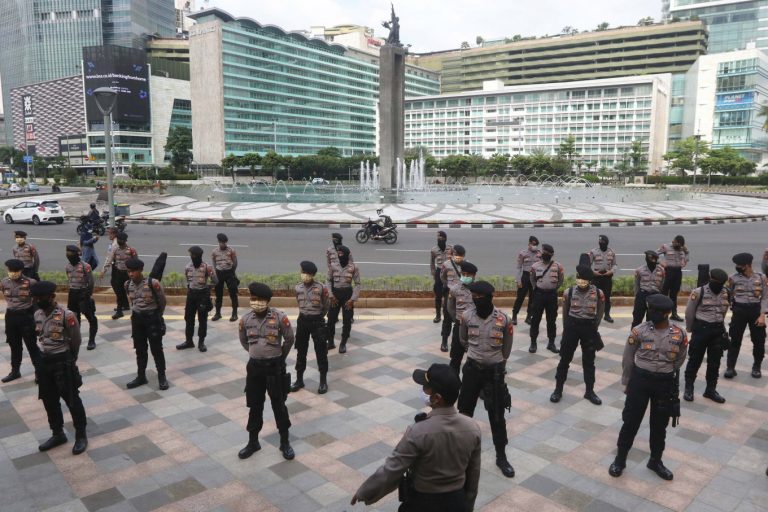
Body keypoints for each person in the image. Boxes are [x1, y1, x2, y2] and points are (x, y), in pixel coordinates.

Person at [351, 363, 481, 512]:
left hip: (423, 502)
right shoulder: (472, 428)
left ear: (437, 398)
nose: (423, 390)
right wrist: (467, 506)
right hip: (457, 502)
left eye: (426, 388)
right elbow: (473, 476)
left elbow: (392, 469)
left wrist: (364, 492)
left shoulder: (418, 432)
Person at [609, 294, 687, 481]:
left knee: (659, 425)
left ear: (667, 313)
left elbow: (680, 358)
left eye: (657, 311)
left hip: (664, 382)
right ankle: (620, 459)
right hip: (640, 381)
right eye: (651, 309)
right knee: (631, 421)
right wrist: (627, 382)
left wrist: (665, 370)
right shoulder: (639, 331)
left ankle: (655, 460)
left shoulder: (679, 333)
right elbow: (628, 358)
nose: (652, 313)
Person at [458, 281, 515, 478]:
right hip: (472, 370)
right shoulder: (466, 316)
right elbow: (463, 339)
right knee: (464, 413)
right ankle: (461, 454)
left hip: (494, 373)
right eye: (473, 297)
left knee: (497, 415)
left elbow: (506, 348)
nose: (475, 301)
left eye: (479, 298)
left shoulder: (503, 319)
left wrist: (498, 363)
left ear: (490, 298)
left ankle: (501, 456)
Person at [238, 282, 295, 461]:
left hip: (274, 368)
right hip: (255, 368)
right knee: (255, 405)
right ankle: (253, 441)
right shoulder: (245, 319)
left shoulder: (279, 317)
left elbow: (289, 338)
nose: (256, 302)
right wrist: (257, 353)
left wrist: (278, 357)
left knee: (279, 405)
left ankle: (284, 442)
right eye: (253, 299)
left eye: (259, 299)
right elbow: (243, 341)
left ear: (267, 301)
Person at [30, 281, 88, 455]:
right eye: (36, 298)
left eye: (42, 297)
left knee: (71, 399)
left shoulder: (66, 315)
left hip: (62, 361)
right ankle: (58, 433)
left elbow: (75, 340)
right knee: (49, 399)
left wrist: (71, 358)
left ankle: (80, 435)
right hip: (44, 362)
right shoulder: (38, 314)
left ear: (52, 297)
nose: (39, 300)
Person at [551, 265, 605, 405]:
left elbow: (600, 312)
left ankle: (590, 392)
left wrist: (593, 327)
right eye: (579, 278)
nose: (581, 281)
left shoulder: (598, 293)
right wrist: (566, 330)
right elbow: (564, 313)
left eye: (584, 279)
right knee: (564, 359)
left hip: (589, 328)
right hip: (572, 328)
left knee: (589, 362)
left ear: (590, 281)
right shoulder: (569, 292)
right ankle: (558, 390)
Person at [683, 268, 730, 403]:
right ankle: (689, 388)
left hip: (717, 331)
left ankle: (710, 390)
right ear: (711, 279)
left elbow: (724, 310)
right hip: (701, 329)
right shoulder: (699, 292)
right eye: (717, 282)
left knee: (715, 362)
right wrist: (691, 328)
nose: (719, 285)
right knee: (695, 360)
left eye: (721, 283)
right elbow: (689, 312)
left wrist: (719, 324)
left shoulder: (726, 292)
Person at [124, 258, 168, 390]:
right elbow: (132, 302)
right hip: (137, 321)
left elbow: (162, 301)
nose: (131, 274)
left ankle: (162, 376)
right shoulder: (127, 285)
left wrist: (157, 316)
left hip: (152, 319)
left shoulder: (152, 283)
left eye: (134, 271)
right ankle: (141, 376)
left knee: (157, 349)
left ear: (141, 270)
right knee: (140, 349)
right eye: (129, 271)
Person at [725, 252, 767, 379]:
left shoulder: (761, 278)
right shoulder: (733, 278)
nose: (737, 267)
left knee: (758, 341)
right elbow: (729, 295)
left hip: (755, 311)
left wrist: (762, 315)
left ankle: (756, 367)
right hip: (739, 311)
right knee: (734, 340)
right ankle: (730, 367)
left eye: (740, 265)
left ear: (748, 265)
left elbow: (765, 297)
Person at [290, 261, 330, 394]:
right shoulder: (298, 288)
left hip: (317, 321)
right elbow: (298, 302)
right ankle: (299, 380)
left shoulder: (321, 288)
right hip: (302, 321)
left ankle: (323, 381)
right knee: (301, 350)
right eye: (302, 272)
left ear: (311, 274)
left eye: (304, 272)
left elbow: (326, 306)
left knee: (321, 351)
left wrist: (318, 316)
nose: (302, 275)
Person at [1, 259, 41, 382]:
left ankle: (39, 372)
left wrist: (38, 322)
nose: (12, 273)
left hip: (26, 317)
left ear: (21, 271)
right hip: (11, 317)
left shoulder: (31, 283)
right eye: (10, 271)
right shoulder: (4, 282)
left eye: (15, 271)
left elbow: (37, 304)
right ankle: (15, 371)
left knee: (32, 346)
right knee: (14, 345)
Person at [177, 246, 217, 352]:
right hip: (191, 295)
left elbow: (215, 281)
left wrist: (208, 288)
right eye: (191, 255)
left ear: (199, 256)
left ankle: (201, 342)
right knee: (188, 318)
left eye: (194, 255)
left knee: (202, 319)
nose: (192, 257)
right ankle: (189, 341)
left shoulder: (207, 267)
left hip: (202, 296)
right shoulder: (188, 267)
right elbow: (188, 280)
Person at [529, 244, 563, 354]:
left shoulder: (557, 266)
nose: (545, 255)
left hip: (552, 296)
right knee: (535, 319)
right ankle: (533, 342)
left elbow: (561, 280)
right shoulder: (535, 266)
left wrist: (553, 288)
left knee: (551, 320)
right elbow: (532, 279)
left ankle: (551, 343)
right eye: (544, 252)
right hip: (539, 295)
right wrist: (537, 288)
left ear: (551, 254)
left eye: (548, 253)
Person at [326, 245, 361, 354]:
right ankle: (330, 341)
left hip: (347, 295)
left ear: (346, 254)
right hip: (335, 295)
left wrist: (352, 299)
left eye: (341, 254)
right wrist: (331, 295)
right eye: (338, 254)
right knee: (331, 320)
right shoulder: (333, 266)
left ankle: (343, 343)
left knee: (347, 321)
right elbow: (328, 281)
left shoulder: (354, 267)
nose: (339, 256)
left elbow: (358, 284)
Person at [65, 245, 98, 351]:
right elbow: (69, 280)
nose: (69, 256)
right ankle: (75, 339)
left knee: (91, 317)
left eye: (71, 254)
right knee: (74, 318)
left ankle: (91, 340)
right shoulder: (68, 267)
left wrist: (87, 295)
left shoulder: (85, 266)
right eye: (67, 254)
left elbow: (91, 282)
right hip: (72, 294)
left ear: (77, 255)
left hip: (83, 294)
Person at [446, 261, 477, 368]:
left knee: (474, 359)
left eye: (468, 275)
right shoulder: (455, 289)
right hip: (459, 326)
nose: (465, 276)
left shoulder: (478, 290)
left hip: (475, 327)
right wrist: (457, 319)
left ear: (474, 276)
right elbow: (450, 307)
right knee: (455, 357)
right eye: (463, 274)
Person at [100, 231, 136, 319]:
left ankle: (135, 312)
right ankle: (119, 311)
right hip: (119, 274)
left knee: (132, 293)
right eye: (119, 239)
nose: (119, 241)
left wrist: (135, 275)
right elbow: (109, 260)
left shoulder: (131, 250)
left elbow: (136, 263)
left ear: (125, 240)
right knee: (119, 294)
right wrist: (103, 271)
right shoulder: (115, 249)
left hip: (129, 275)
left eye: (121, 240)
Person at [440, 245, 466, 349]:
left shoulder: (466, 264)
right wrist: (449, 286)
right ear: (453, 254)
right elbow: (442, 277)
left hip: (462, 296)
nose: (458, 257)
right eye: (456, 255)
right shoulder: (446, 264)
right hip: (450, 295)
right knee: (447, 318)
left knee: (461, 319)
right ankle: (444, 341)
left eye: (460, 256)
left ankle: (459, 342)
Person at [658, 235, 689, 321]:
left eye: (680, 245)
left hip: (678, 272)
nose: (678, 246)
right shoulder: (666, 247)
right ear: (673, 241)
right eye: (677, 244)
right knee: (664, 293)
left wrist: (685, 261)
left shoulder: (682, 249)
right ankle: (662, 313)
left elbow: (687, 254)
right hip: (668, 271)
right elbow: (654, 254)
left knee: (674, 294)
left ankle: (674, 314)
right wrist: (661, 263)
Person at [632, 250, 666, 328]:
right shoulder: (639, 270)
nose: (649, 260)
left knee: (652, 320)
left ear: (655, 259)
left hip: (655, 296)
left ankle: (649, 338)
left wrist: (659, 295)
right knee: (637, 317)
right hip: (642, 295)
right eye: (647, 258)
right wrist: (637, 296)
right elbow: (636, 284)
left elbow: (662, 285)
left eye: (651, 258)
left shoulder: (661, 271)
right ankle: (634, 338)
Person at [512, 236, 541, 325]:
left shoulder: (540, 253)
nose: (534, 246)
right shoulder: (523, 253)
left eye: (536, 245)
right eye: (532, 244)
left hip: (535, 278)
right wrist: (518, 280)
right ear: (529, 244)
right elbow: (518, 267)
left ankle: (528, 317)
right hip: (525, 276)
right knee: (520, 297)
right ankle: (514, 316)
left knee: (533, 299)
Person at [211, 233, 239, 322]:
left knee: (233, 294)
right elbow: (214, 263)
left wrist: (232, 272)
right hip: (219, 274)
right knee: (218, 295)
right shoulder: (214, 251)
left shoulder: (231, 250)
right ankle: (218, 313)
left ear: (226, 242)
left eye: (224, 242)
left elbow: (235, 262)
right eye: (221, 242)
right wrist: (216, 272)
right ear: (218, 242)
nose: (222, 244)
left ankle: (234, 314)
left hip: (229, 273)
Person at [589, 234, 617, 323]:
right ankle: (593, 315)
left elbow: (615, 264)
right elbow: (588, 264)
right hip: (596, 277)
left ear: (606, 243)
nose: (600, 243)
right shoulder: (593, 252)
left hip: (607, 277)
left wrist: (611, 271)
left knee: (607, 297)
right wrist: (593, 272)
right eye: (599, 241)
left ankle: (607, 315)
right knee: (594, 297)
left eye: (602, 242)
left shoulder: (612, 252)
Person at [430, 231, 453, 324]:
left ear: (445, 239)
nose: (440, 241)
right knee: (438, 295)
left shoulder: (450, 248)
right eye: (438, 239)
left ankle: (448, 315)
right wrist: (434, 274)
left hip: (449, 273)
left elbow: (455, 259)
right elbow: (432, 263)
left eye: (442, 239)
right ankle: (438, 315)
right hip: (439, 272)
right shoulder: (434, 250)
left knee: (448, 295)